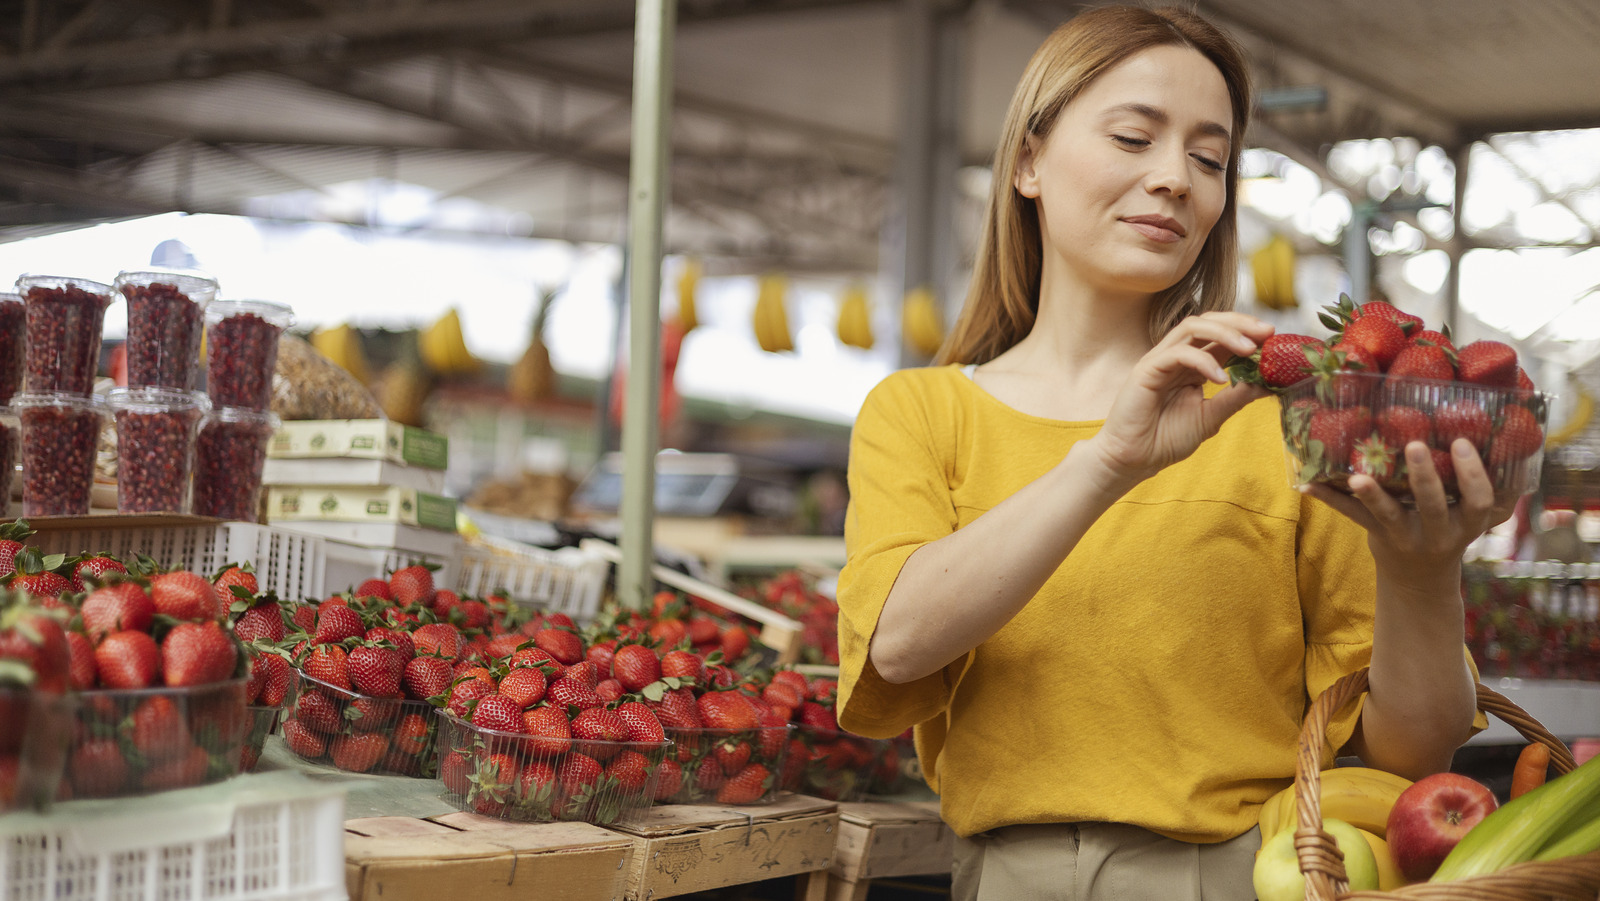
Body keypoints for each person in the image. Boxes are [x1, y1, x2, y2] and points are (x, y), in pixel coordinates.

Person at [834, 6, 1502, 899]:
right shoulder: (919, 412)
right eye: (1133, 136)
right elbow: (898, 645)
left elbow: (1412, 751)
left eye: (1209, 158)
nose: (1174, 179)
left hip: (1243, 876)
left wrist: (1426, 574)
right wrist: (1110, 460)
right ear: (1028, 161)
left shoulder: (1289, 420)